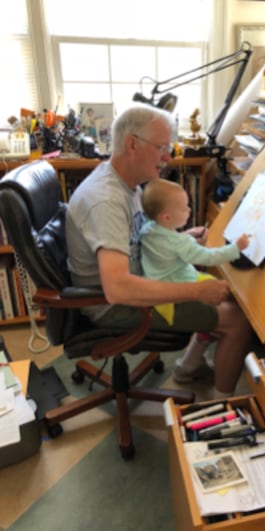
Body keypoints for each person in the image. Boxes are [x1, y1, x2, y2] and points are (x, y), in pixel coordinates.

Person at [66, 103, 253, 398]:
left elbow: (137, 239)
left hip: (137, 283)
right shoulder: (106, 201)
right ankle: (223, 406)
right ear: (132, 145)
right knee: (239, 321)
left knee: (221, 296)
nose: (169, 156)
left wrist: (180, 239)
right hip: (115, 307)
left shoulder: (128, 185)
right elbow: (117, 289)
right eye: (162, 147)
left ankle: (186, 367)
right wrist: (195, 293)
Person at [139, 178, 249, 326]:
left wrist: (188, 237)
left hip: (158, 288)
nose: (189, 210)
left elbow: (167, 246)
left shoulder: (147, 228)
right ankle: (210, 329)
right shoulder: (179, 243)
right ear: (167, 217)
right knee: (221, 288)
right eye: (184, 208)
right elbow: (209, 257)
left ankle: (208, 333)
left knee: (212, 281)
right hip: (175, 292)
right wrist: (236, 248)